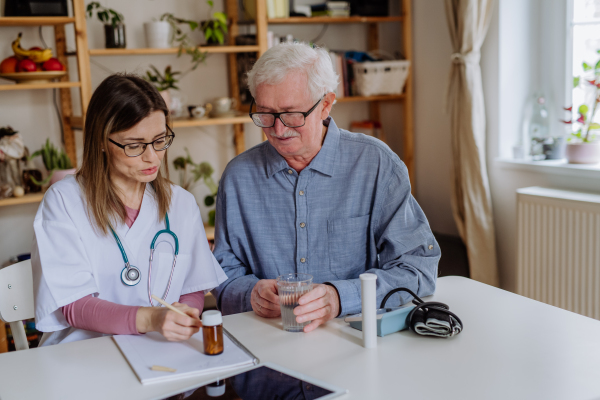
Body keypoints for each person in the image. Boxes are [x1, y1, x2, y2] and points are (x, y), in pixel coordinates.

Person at [213, 42, 441, 332]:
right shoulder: (238, 177)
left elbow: (418, 268)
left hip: (354, 340)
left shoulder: (376, 165)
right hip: (269, 341)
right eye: (266, 114)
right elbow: (221, 273)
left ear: (326, 104)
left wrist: (340, 297)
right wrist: (249, 293)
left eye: (292, 114)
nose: (278, 130)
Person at [32, 74, 227, 346]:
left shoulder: (180, 203)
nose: (152, 156)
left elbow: (191, 287)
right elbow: (73, 305)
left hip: (157, 350)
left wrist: (184, 314)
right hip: (85, 356)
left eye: (160, 140)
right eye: (134, 145)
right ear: (101, 141)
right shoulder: (64, 202)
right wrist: (150, 319)